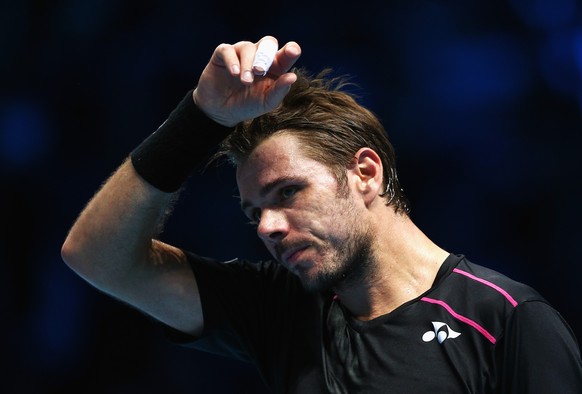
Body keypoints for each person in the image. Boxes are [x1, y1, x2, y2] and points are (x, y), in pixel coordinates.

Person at [61, 35, 582, 393]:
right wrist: (199, 119)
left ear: (366, 174)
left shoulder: (507, 321)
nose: (266, 227)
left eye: (287, 192)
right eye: (253, 212)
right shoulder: (280, 310)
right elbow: (97, 256)